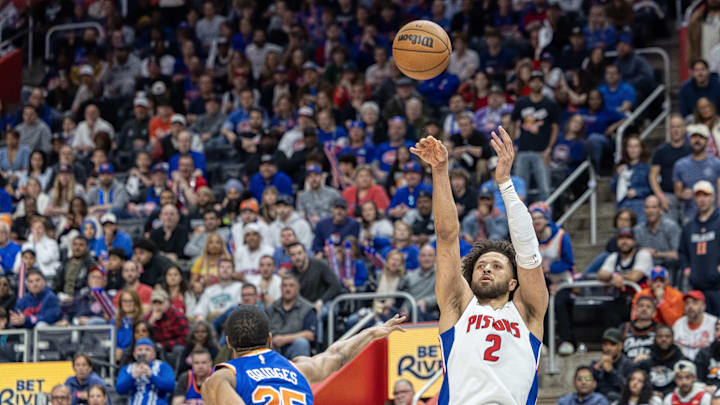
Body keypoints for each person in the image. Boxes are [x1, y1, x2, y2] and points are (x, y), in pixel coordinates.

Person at [409, 127, 548, 404]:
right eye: (481, 266)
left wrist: (506, 185)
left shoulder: (526, 311)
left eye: (497, 266)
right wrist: (440, 171)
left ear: (513, 283)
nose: (486, 269)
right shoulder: (459, 306)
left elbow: (528, 252)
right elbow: (447, 237)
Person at [200, 305, 405, 404]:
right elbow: (336, 356)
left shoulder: (224, 377)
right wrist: (371, 333)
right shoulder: (297, 368)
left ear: (228, 342)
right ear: (270, 339)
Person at [511, 71, 559, 201]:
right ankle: (520, 221)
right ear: (529, 83)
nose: (536, 83)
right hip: (522, 151)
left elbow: (555, 128)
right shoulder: (521, 102)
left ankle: (546, 219)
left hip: (542, 152)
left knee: (545, 190)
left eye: (539, 80)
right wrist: (512, 145)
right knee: (520, 192)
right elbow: (513, 123)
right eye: (533, 80)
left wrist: (549, 148)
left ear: (543, 83)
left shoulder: (550, 104)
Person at [597, 228, 654, 326]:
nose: (624, 241)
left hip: (640, 301)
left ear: (634, 241)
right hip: (621, 299)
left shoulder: (643, 255)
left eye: (628, 238)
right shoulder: (614, 257)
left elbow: (635, 276)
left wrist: (619, 277)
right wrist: (613, 276)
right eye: (621, 238)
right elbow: (601, 275)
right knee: (606, 307)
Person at [679, 180, 720, 316]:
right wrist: (687, 269)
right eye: (698, 196)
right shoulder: (689, 226)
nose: (702, 200)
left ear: (713, 197)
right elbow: (682, 251)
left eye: (706, 195)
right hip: (697, 286)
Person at [673, 125, 720, 222]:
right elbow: (678, 193)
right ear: (689, 140)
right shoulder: (680, 165)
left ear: (707, 141)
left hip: (714, 216)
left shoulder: (716, 164)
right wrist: (682, 194)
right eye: (694, 137)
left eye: (701, 137)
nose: (697, 140)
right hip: (690, 217)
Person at [116, 337, 176, 405]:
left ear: (154, 354)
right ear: (134, 354)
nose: (143, 352)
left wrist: (151, 376)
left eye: (147, 349)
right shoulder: (127, 369)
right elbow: (119, 390)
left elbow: (171, 386)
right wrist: (132, 377)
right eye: (140, 349)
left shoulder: (163, 366)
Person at [288, 242, 343, 316]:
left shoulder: (320, 264)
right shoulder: (290, 273)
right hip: (305, 306)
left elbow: (336, 286)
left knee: (314, 314)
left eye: (299, 253)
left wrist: (320, 302)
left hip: (327, 302)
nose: (297, 257)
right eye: (293, 255)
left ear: (305, 253)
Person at [636, 325, 686, 397]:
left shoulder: (681, 360)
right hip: (649, 396)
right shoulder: (646, 360)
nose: (664, 339)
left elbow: (686, 383)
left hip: (674, 396)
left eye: (667, 336)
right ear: (655, 338)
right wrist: (650, 393)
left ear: (673, 339)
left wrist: (665, 394)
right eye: (660, 336)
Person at [633, 196, 681, 272]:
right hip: (645, 268)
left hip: (667, 268)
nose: (650, 211)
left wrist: (655, 253)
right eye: (647, 207)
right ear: (644, 210)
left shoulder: (671, 227)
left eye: (654, 207)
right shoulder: (638, 230)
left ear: (660, 210)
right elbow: (632, 253)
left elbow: (677, 255)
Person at [592, 328, 635, 403]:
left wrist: (611, 372)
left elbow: (630, 388)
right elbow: (585, 379)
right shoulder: (596, 364)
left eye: (612, 344)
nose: (608, 348)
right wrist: (596, 369)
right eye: (605, 344)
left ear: (620, 346)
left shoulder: (629, 364)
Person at [673, 290, 717, 360]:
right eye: (687, 303)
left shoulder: (714, 323)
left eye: (695, 302)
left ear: (703, 306)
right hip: (682, 366)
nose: (690, 306)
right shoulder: (678, 324)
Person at [144, 289, 190, 354]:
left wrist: (163, 345)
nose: (157, 306)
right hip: (154, 348)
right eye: (155, 303)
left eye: (160, 303)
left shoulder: (177, 316)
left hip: (173, 349)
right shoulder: (148, 317)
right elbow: (142, 337)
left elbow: (185, 338)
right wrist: (151, 322)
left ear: (168, 302)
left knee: (179, 349)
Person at [620, 295, 658, 361]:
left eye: (648, 307)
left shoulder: (660, 329)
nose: (644, 309)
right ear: (635, 310)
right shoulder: (625, 327)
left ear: (654, 313)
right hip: (628, 367)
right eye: (641, 306)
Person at [695, 319, 720, 391]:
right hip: (707, 391)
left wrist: (716, 388)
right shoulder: (704, 353)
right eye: (717, 329)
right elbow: (698, 379)